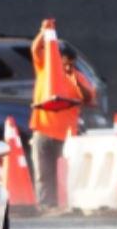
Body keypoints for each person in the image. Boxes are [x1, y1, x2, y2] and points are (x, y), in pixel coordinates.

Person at [30, 22, 97, 209]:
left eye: (67, 60)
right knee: (44, 173)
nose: (64, 64)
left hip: (66, 135)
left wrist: (74, 77)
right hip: (43, 131)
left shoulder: (77, 77)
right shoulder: (45, 70)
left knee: (67, 175)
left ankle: (69, 205)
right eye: (61, 59)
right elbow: (36, 48)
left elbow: (89, 97)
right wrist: (44, 32)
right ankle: (46, 206)